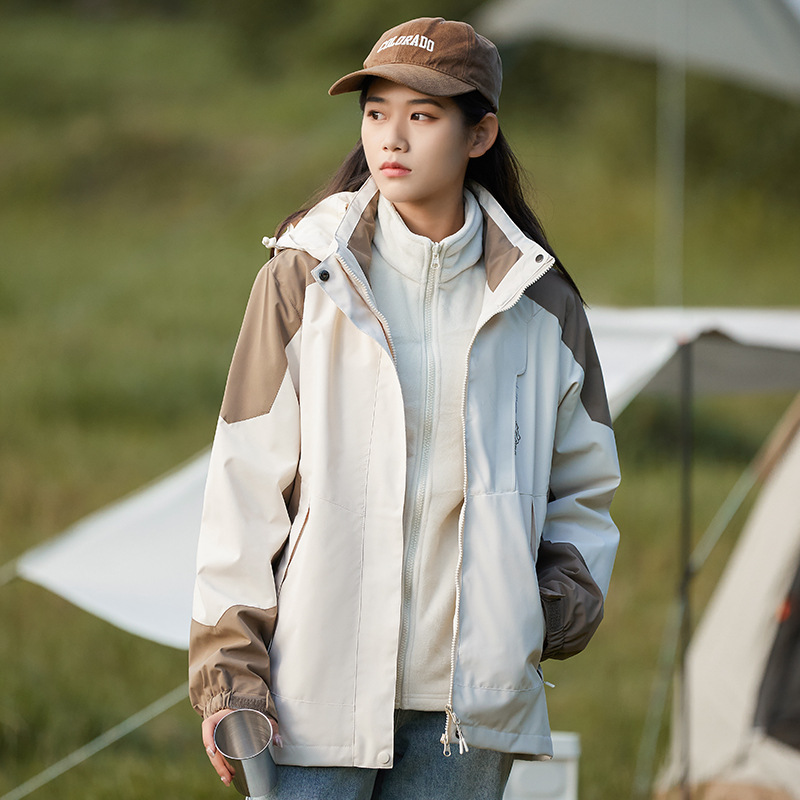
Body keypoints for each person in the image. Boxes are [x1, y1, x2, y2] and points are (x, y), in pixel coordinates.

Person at [189, 16, 620, 800]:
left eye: (422, 116)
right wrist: (229, 672)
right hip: (313, 695)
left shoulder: (543, 305)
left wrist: (534, 617)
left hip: (470, 712)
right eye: (376, 112)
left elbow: (585, 489)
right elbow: (243, 486)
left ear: (479, 134)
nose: (391, 137)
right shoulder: (304, 279)